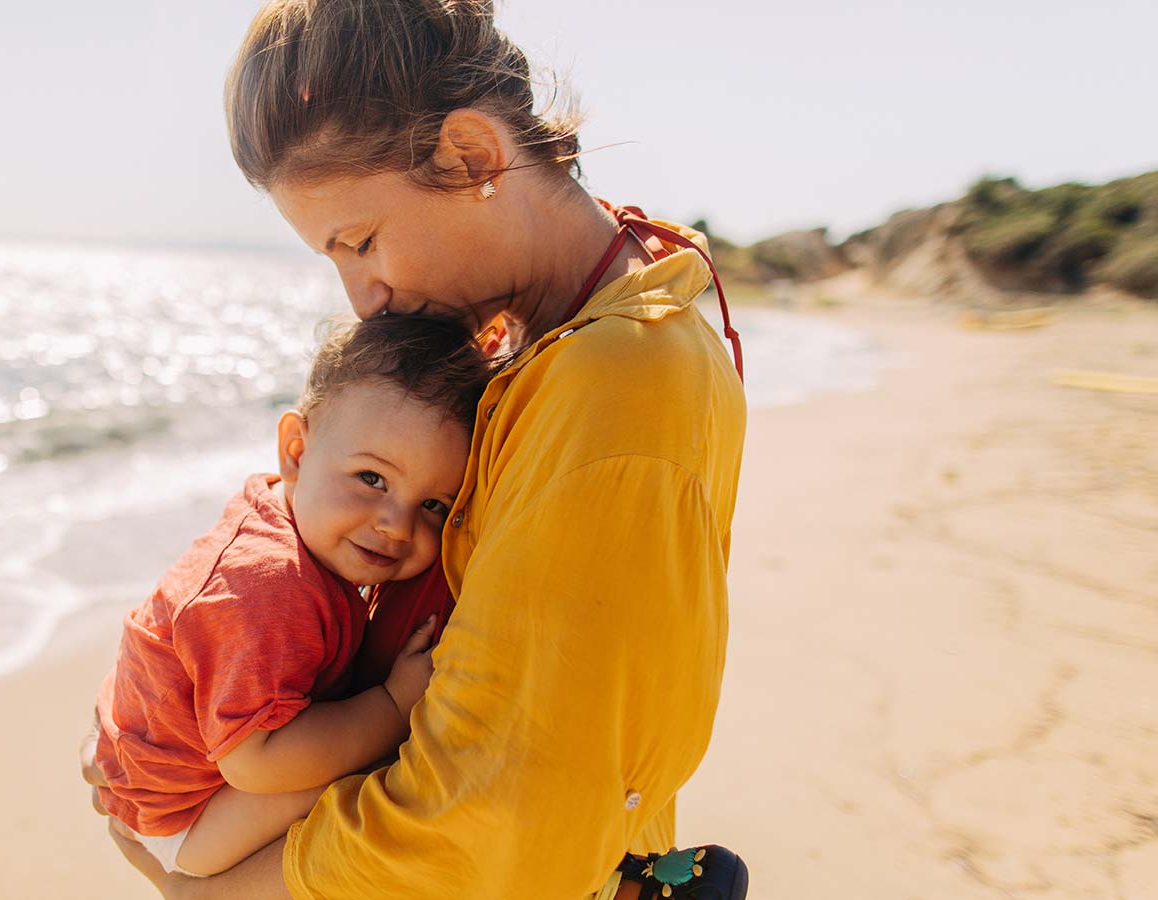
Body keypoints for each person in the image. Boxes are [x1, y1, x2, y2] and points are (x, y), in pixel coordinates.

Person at [83, 1, 748, 897]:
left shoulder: (619, 378)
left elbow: (497, 803)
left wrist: (219, 892)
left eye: (360, 243)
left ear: (472, 157)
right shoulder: (554, 346)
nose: (365, 298)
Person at [91, 314, 495, 877]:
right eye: (372, 479)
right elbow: (255, 763)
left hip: (158, 759)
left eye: (435, 505)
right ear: (297, 452)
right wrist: (393, 706)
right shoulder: (270, 588)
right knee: (377, 773)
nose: (398, 526)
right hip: (181, 818)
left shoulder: (290, 511)